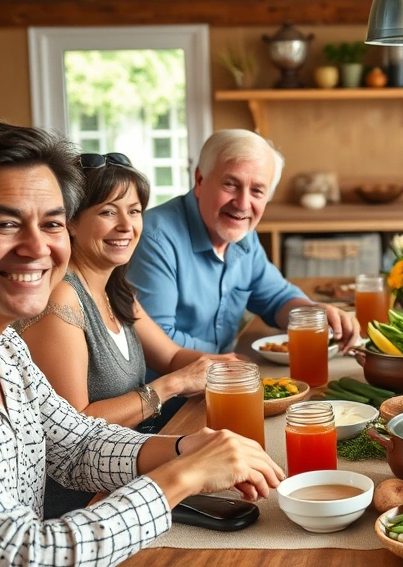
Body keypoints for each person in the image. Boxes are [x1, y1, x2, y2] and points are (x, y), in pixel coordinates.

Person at [0, 117, 284, 564]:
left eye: (51, 223)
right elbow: (21, 554)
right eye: (5, 224)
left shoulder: (4, 347)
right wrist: (182, 476)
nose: (38, 247)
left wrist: (186, 447)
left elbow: (75, 444)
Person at [17, 151, 242, 518]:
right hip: (83, 499)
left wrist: (227, 369)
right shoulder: (61, 299)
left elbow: (170, 356)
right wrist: (172, 385)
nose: (126, 226)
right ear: (70, 221)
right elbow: (74, 426)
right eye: (108, 211)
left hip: (131, 468)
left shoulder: (114, 289)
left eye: (134, 211)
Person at [127, 129, 357, 363]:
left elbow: (276, 298)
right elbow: (157, 344)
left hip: (224, 377)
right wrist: (234, 363)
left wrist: (315, 313)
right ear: (200, 180)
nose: (243, 204)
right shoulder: (154, 238)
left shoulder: (243, 236)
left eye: (257, 191)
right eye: (231, 184)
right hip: (172, 393)